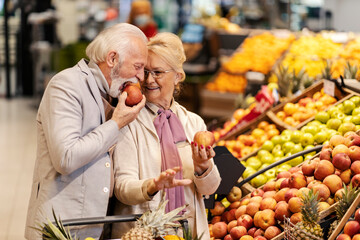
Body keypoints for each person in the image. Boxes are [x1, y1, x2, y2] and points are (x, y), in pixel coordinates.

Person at [24, 23, 147, 240]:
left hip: (98, 225)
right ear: (112, 59)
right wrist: (116, 123)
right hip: (62, 227)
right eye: (137, 67)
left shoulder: (115, 96)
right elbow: (66, 158)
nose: (141, 77)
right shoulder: (66, 85)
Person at [111, 32, 221, 239]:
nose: (149, 79)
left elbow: (210, 188)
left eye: (158, 72)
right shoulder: (129, 120)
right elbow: (122, 188)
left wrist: (203, 167)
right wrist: (152, 185)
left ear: (178, 75)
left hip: (189, 232)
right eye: (145, 71)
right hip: (142, 233)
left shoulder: (194, 123)